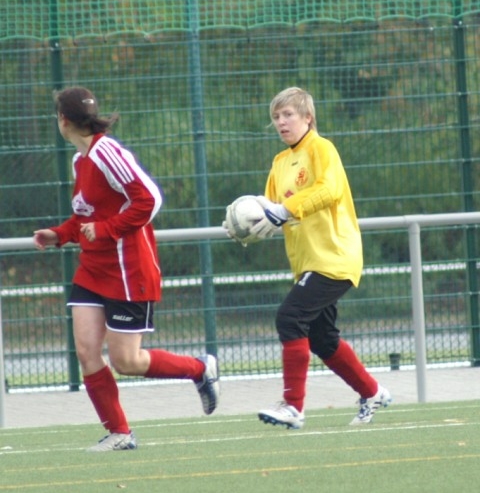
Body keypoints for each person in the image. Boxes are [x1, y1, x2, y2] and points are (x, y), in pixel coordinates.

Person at [33, 86, 219, 451]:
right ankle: (120, 433)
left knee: (127, 361)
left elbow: (150, 199)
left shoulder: (107, 152)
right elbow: (86, 215)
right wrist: (59, 234)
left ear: (63, 120)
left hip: (128, 271)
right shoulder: (80, 161)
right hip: (92, 270)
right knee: (86, 351)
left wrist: (106, 230)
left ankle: (199, 369)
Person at [248, 86, 391, 429]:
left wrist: (286, 208)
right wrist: (245, 222)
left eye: (288, 115)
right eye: (276, 117)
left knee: (289, 318)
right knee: (323, 340)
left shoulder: (321, 148)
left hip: (335, 256)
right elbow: (267, 208)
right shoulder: (280, 162)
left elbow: (329, 190)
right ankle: (372, 392)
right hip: (308, 263)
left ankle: (293, 406)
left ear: (308, 118)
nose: (281, 122)